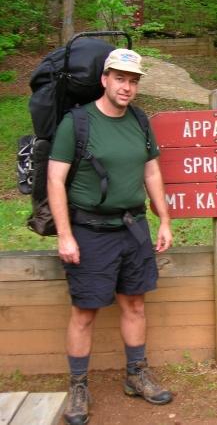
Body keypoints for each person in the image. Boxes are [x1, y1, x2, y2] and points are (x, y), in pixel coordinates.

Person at [47, 48, 174, 425]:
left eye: (133, 81)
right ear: (104, 79)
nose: (127, 87)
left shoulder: (139, 119)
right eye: (120, 78)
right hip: (90, 230)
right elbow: (55, 179)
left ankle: (136, 375)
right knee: (84, 311)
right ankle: (79, 387)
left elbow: (151, 173)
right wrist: (65, 236)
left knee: (134, 303)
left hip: (133, 228)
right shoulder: (79, 123)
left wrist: (164, 220)